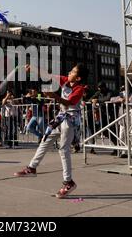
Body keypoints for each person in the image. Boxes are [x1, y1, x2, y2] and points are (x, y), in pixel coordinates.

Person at [14, 63, 87, 199]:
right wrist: (33, 68)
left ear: (78, 78)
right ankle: (32, 168)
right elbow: (48, 75)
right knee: (45, 140)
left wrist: (53, 96)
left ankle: (68, 182)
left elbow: (68, 103)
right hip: (60, 118)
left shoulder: (79, 89)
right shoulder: (65, 80)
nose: (69, 73)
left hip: (70, 120)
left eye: (73, 72)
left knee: (63, 150)